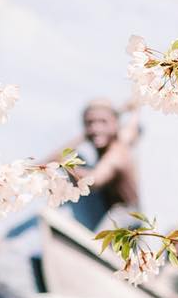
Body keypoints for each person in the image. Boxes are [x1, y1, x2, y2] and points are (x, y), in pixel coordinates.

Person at [60, 98, 141, 232]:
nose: (96, 128)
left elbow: (94, 181)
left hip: (126, 214)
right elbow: (133, 122)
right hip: (111, 209)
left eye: (103, 122)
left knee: (98, 246)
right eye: (90, 123)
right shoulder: (124, 135)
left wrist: (66, 166)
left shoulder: (116, 154)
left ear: (116, 124)